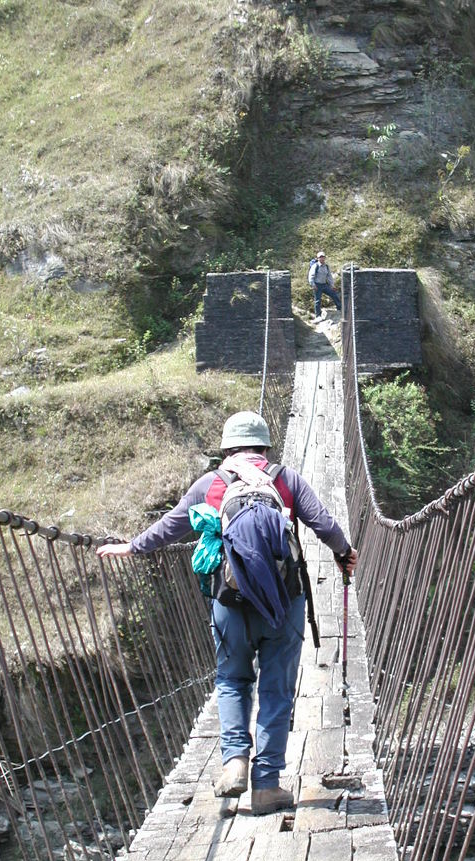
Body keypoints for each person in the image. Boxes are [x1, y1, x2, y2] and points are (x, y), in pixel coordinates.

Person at [97, 411, 357, 815]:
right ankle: (267, 785)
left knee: (233, 680)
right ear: (265, 446)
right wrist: (343, 554)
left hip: (229, 603)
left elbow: (171, 527)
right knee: (276, 690)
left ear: (226, 448)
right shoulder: (284, 479)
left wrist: (131, 546)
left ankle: (234, 762)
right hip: (282, 604)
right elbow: (323, 523)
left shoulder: (212, 483)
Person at [309, 251, 341, 323]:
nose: (322, 258)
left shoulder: (326, 266)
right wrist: (313, 285)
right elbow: (311, 276)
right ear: (318, 258)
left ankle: (340, 308)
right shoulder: (315, 266)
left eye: (323, 257)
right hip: (317, 285)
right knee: (318, 300)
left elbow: (329, 276)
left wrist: (332, 285)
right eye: (320, 257)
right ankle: (318, 316)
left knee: (333, 294)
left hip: (324, 284)